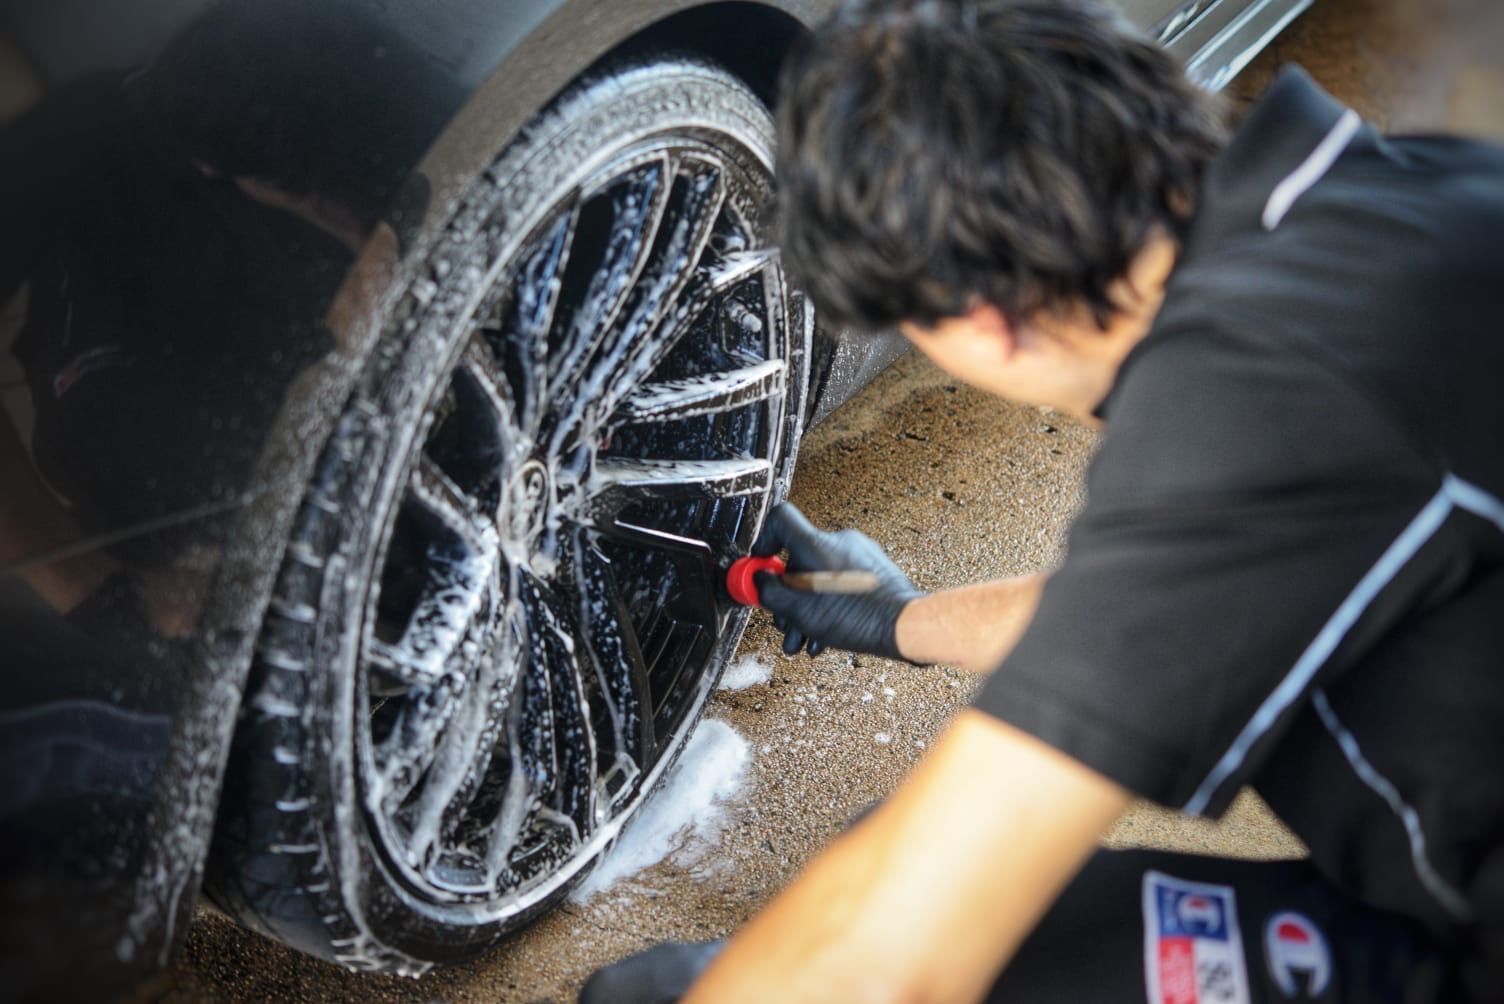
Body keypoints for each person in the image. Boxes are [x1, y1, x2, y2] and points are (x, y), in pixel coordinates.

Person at [581, 1, 1504, 1000]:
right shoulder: (1401, 197)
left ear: (979, 323)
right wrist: (897, 620)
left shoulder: (1261, 407)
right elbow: (1178, 594)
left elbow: (895, 953)